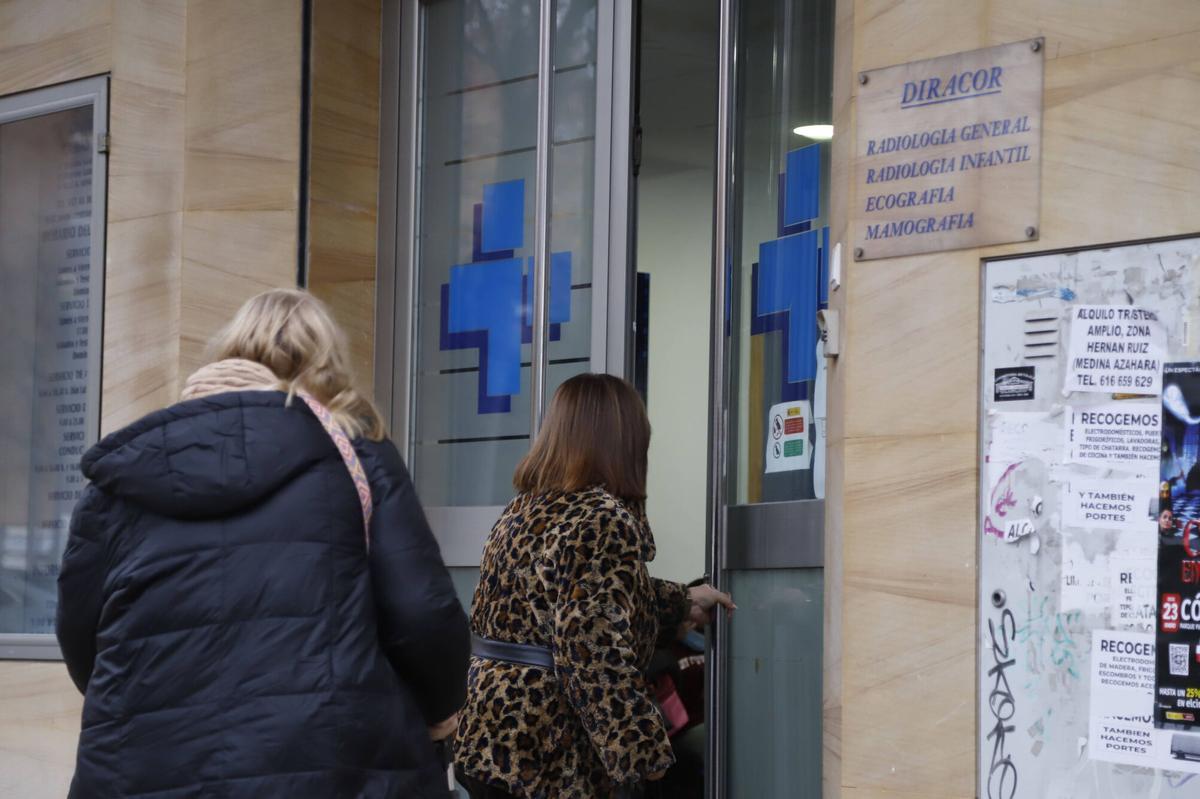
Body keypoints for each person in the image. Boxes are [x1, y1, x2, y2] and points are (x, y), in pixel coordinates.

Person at [56, 289, 469, 798]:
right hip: (328, 761)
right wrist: (438, 712)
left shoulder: (120, 480)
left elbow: (81, 638)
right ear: (328, 365)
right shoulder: (357, 459)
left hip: (143, 767)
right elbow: (422, 613)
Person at [454, 373, 734, 798]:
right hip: (548, 753)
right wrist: (645, 757)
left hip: (491, 736)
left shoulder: (522, 509)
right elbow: (592, 652)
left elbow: (567, 599)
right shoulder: (603, 518)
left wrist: (682, 602)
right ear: (626, 442)